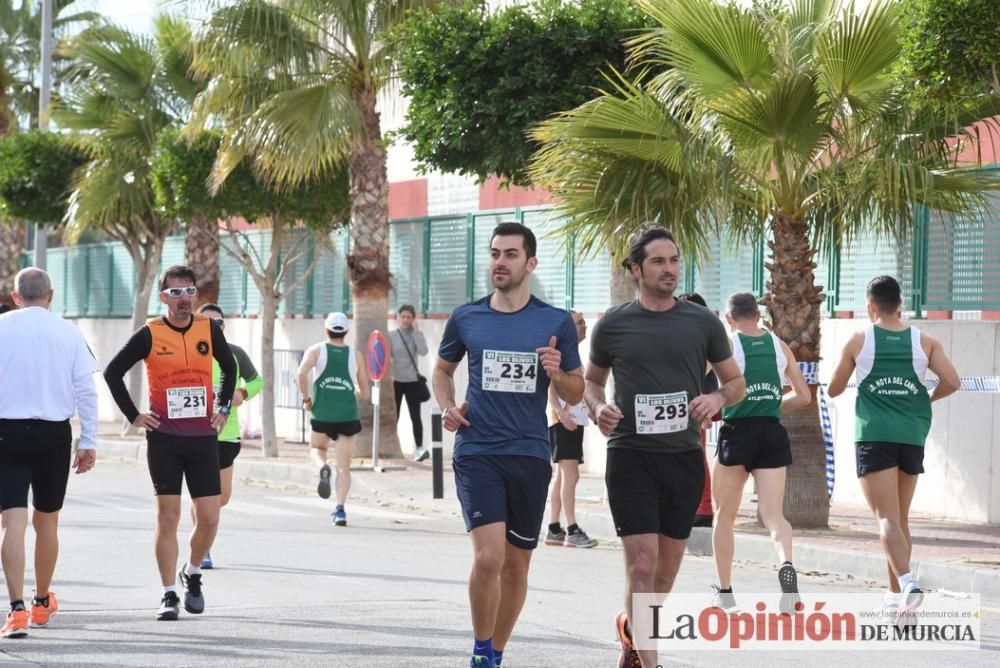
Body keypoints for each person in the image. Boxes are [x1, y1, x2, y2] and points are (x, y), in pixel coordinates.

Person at [584, 228, 745, 668]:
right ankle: (650, 660)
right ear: (636, 269)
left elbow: (736, 382)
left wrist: (715, 399)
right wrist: (598, 409)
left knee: (667, 569)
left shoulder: (702, 322)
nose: (669, 269)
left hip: (683, 459)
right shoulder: (613, 324)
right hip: (630, 456)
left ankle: (634, 632)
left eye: (673, 260)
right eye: (658, 261)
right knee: (641, 563)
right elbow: (591, 383)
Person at [433, 222, 583, 668]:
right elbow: (441, 371)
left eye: (511, 254)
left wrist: (558, 373)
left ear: (530, 263)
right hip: (478, 450)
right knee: (488, 558)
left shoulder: (554, 321)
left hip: (531, 454)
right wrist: (447, 407)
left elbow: (576, 392)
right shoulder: (467, 316)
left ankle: (497, 652)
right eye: (495, 253)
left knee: (517, 567)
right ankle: (480, 652)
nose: (500, 261)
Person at [104, 265, 236, 621]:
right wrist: (134, 416)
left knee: (209, 518)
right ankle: (168, 594)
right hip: (164, 439)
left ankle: (192, 572)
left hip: (203, 439)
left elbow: (230, 367)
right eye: (175, 293)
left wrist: (222, 407)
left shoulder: (209, 329)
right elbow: (112, 372)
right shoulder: (150, 333)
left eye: (189, 291)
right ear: (163, 297)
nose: (183, 299)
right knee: (168, 516)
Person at [828, 275, 959, 613]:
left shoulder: (859, 340)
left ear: (870, 306)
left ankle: (907, 583)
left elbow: (834, 389)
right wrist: (926, 398)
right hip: (912, 434)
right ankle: (895, 601)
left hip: (874, 434)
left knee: (886, 519)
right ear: (900, 304)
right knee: (901, 520)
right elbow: (953, 381)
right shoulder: (925, 341)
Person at [0, 268, 99, 638]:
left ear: (15, 295)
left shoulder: (1, 327)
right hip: (54, 434)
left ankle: (16, 611)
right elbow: (86, 391)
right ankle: (42, 602)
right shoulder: (69, 332)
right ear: (51, 295)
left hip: (6, 431)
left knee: (12, 521)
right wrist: (88, 440)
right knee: (47, 521)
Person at [710, 292, 810, 613]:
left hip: (738, 431)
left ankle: (725, 593)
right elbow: (804, 396)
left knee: (724, 515)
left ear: (729, 318)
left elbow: (703, 385)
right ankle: (786, 568)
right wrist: (770, 404)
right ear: (758, 314)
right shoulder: (780, 346)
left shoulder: (727, 345)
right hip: (771, 430)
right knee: (774, 515)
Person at [193, 304, 263, 569]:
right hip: (197, 433)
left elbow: (257, 381)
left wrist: (242, 394)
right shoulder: (191, 353)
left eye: (218, 323)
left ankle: (201, 535)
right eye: (207, 323)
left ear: (224, 326)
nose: (213, 328)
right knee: (204, 496)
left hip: (227, 434)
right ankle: (204, 549)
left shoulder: (234, 353)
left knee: (222, 498)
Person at [296, 312, 370, 527]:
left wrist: (307, 399)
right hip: (347, 417)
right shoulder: (355, 355)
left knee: (317, 448)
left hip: (322, 414)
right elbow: (365, 393)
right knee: (344, 468)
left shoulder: (317, 351)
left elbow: (301, 374)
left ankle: (321, 467)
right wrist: (352, 390)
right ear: (346, 332)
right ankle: (340, 510)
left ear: (326, 330)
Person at [544, 309, 597, 549]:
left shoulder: (571, 353)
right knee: (571, 476)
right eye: (579, 323)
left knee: (561, 476)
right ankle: (572, 529)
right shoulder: (561, 352)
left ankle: (554, 527)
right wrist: (561, 414)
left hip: (573, 420)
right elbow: (550, 387)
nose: (584, 326)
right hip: (564, 422)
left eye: (584, 322)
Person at [677, 292, 717, 528]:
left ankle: (703, 509)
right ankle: (697, 508)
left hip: (697, 405)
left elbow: (700, 371)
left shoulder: (708, 336)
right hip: (689, 406)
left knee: (696, 457)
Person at [390, 304, 429, 462]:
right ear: (398, 317)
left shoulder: (416, 334)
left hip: (412, 381)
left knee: (415, 417)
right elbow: (387, 355)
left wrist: (417, 332)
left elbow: (423, 351)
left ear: (413, 319)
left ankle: (419, 448)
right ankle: (393, 447)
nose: (406, 320)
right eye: (403, 316)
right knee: (395, 416)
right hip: (396, 382)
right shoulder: (391, 335)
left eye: (409, 317)